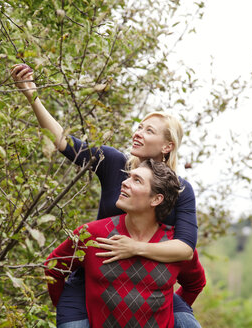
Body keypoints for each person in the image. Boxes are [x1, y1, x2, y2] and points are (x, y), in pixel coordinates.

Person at [11, 64, 202, 327]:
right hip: (95, 277)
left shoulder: (181, 190)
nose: (137, 133)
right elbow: (64, 142)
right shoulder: (114, 163)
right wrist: (31, 94)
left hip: (145, 281)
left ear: (168, 146)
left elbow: (185, 249)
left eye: (149, 131)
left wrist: (135, 248)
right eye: (139, 127)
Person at [44, 160, 206, 327]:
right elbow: (53, 268)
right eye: (129, 177)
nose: (124, 182)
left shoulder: (174, 247)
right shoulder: (91, 235)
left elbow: (195, 284)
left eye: (137, 180)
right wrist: (68, 312)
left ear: (156, 199)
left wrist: (170, 314)